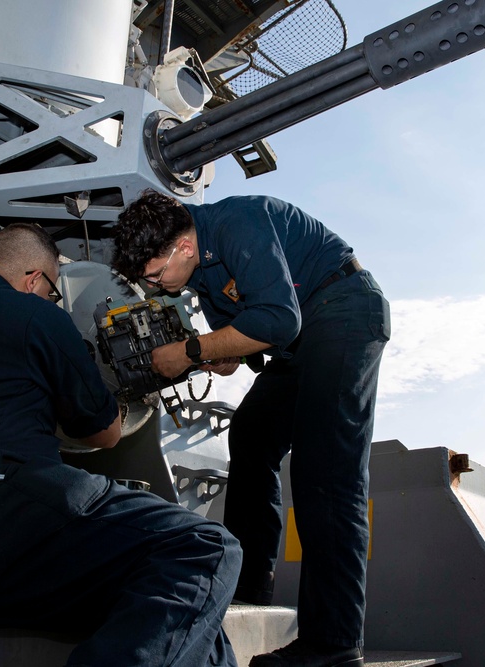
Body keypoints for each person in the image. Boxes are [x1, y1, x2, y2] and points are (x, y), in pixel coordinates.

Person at [0, 222, 242, 667]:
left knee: (181, 613)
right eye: (50, 293)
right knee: (205, 547)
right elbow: (104, 433)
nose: (50, 302)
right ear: (34, 280)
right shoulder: (34, 314)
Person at [113, 192, 391, 667]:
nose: (155, 287)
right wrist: (221, 354)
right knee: (252, 435)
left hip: (342, 308)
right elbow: (245, 337)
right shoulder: (197, 270)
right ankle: (249, 583)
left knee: (325, 471)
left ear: (182, 246)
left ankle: (334, 644)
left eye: (156, 276)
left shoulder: (238, 220)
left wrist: (189, 352)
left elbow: (279, 319)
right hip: (300, 338)